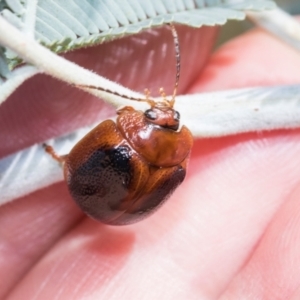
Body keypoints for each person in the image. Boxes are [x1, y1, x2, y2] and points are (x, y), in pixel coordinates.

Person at [1, 24, 300, 299]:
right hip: (118, 209)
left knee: (96, 142)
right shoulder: (176, 162)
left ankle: (58, 158)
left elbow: (84, 152)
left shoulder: (124, 136)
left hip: (97, 196)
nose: (162, 110)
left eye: (157, 115)